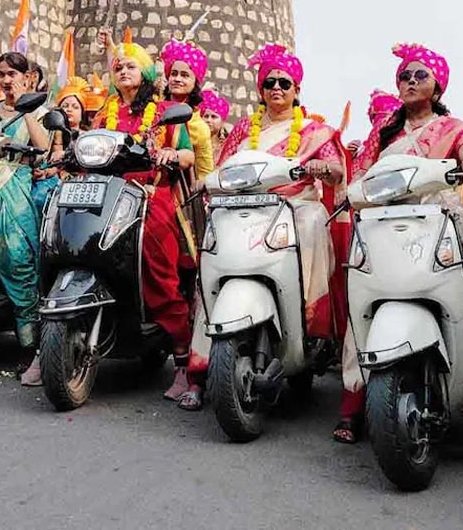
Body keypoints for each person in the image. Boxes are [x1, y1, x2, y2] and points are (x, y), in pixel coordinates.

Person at [346, 43, 463, 469]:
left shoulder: (454, 129)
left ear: (438, 86)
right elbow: (361, 173)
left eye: (419, 75)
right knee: (360, 303)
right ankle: (355, 404)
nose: (410, 81)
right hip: (387, 227)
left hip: (439, 224)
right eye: (404, 76)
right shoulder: (384, 132)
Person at [208, 44, 348, 411]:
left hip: (294, 206)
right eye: (269, 82)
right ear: (260, 89)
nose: (276, 88)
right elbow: (223, 167)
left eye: (284, 83)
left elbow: (336, 171)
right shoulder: (244, 129)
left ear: (296, 90)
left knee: (313, 218)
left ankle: (308, 316)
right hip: (246, 207)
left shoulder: (314, 131)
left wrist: (322, 169)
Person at [91, 29, 199, 404]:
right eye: (118, 66)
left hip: (150, 195)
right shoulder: (105, 112)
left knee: (159, 275)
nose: (123, 70)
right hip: (107, 196)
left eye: (131, 66)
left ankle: (184, 363)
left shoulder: (165, 111)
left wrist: (171, 155)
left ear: (147, 73)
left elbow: (187, 155)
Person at [0, 52, 50, 385]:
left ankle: (30, 345)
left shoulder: (40, 111)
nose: (6, 80)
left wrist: (26, 108)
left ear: (27, 77)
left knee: (17, 259)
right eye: (1, 74)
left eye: (13, 74)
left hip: (16, 183)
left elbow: (43, 147)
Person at [31, 76, 92, 215]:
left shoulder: (88, 137)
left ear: (82, 113)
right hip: (54, 180)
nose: (69, 109)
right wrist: (45, 172)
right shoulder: (50, 134)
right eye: (65, 106)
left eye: (75, 107)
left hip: (83, 182)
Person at [159, 39, 215, 179]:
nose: (177, 79)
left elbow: (204, 173)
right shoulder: (153, 109)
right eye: (174, 74)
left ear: (195, 82)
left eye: (185, 75)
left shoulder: (199, 127)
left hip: (173, 187)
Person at [199, 89, 231, 166]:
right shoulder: (194, 142)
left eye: (214, 117)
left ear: (222, 121)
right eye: (206, 116)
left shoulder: (228, 145)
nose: (208, 120)